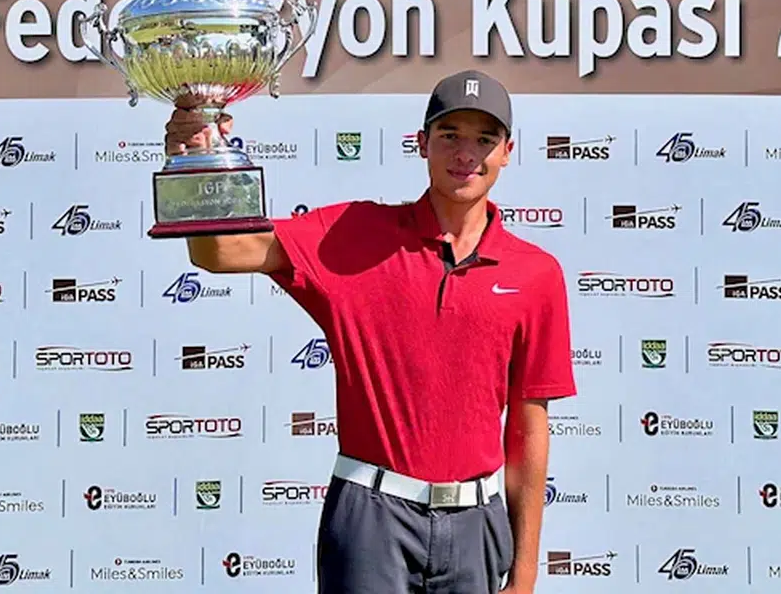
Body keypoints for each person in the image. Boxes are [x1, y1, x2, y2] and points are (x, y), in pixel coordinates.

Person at [167, 69, 577, 594]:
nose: (465, 154)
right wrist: (194, 161)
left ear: (506, 152)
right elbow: (220, 252)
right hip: (371, 519)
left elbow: (528, 430)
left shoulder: (536, 274)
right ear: (422, 143)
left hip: (477, 524)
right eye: (450, 135)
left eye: (484, 139)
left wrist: (525, 571)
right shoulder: (355, 234)